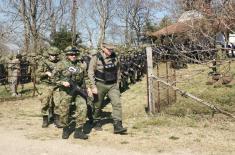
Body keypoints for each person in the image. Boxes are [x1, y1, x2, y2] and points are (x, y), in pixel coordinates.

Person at [87, 42, 127, 134]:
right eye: (109, 49)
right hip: (100, 84)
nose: (111, 51)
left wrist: (117, 83)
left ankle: (118, 125)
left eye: (112, 49)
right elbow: (90, 72)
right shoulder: (96, 58)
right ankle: (96, 121)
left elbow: (118, 70)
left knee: (117, 103)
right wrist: (93, 86)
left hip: (113, 85)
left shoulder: (115, 57)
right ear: (103, 48)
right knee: (97, 105)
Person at [54, 46, 91, 140]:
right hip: (66, 90)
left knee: (83, 108)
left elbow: (85, 77)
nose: (74, 56)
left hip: (78, 89)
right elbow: (53, 78)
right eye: (71, 54)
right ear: (67, 55)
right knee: (64, 110)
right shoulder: (61, 64)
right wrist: (62, 82)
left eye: (75, 54)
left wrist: (89, 88)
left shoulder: (81, 64)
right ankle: (65, 129)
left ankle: (78, 131)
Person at [36, 47, 63, 128]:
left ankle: (57, 120)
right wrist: (46, 73)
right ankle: (45, 119)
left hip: (57, 85)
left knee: (58, 103)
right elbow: (37, 73)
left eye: (55, 55)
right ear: (49, 55)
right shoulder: (43, 62)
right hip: (46, 85)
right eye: (52, 55)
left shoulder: (60, 63)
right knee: (45, 102)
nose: (54, 57)